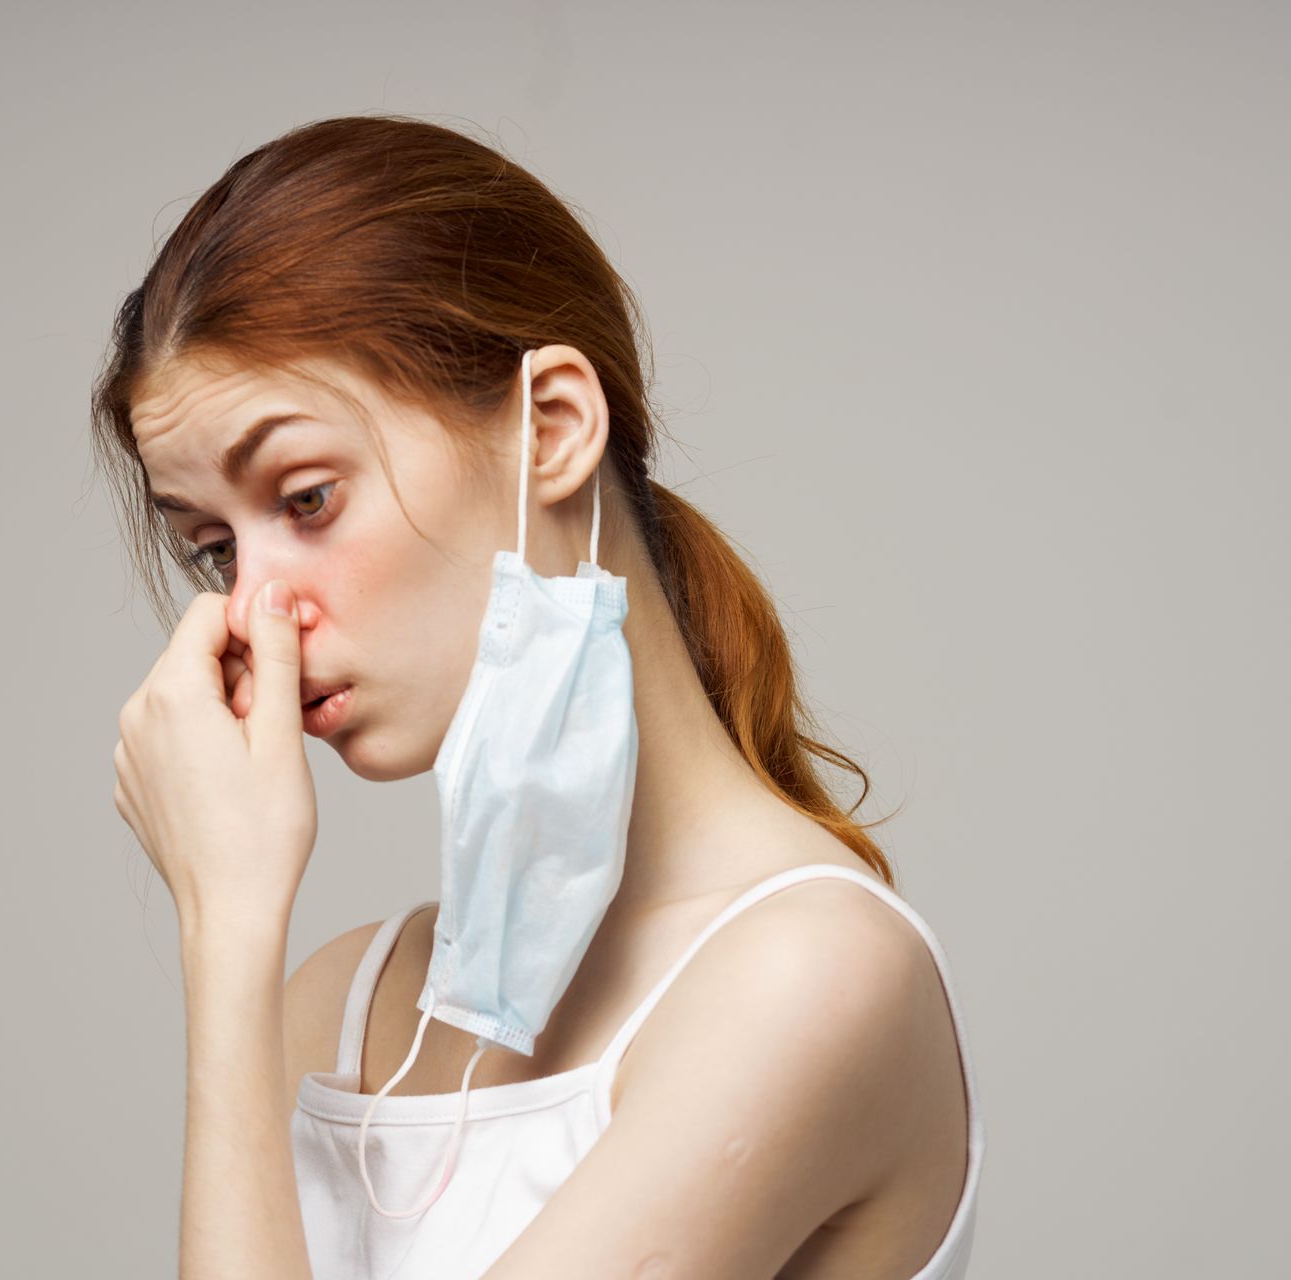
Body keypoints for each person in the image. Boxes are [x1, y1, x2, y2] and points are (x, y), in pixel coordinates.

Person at [97, 114, 985, 1279]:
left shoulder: (812, 976)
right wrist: (234, 950)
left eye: (307, 498)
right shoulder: (342, 1010)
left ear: (553, 428)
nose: (257, 610)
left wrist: (223, 930)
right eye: (215, 548)